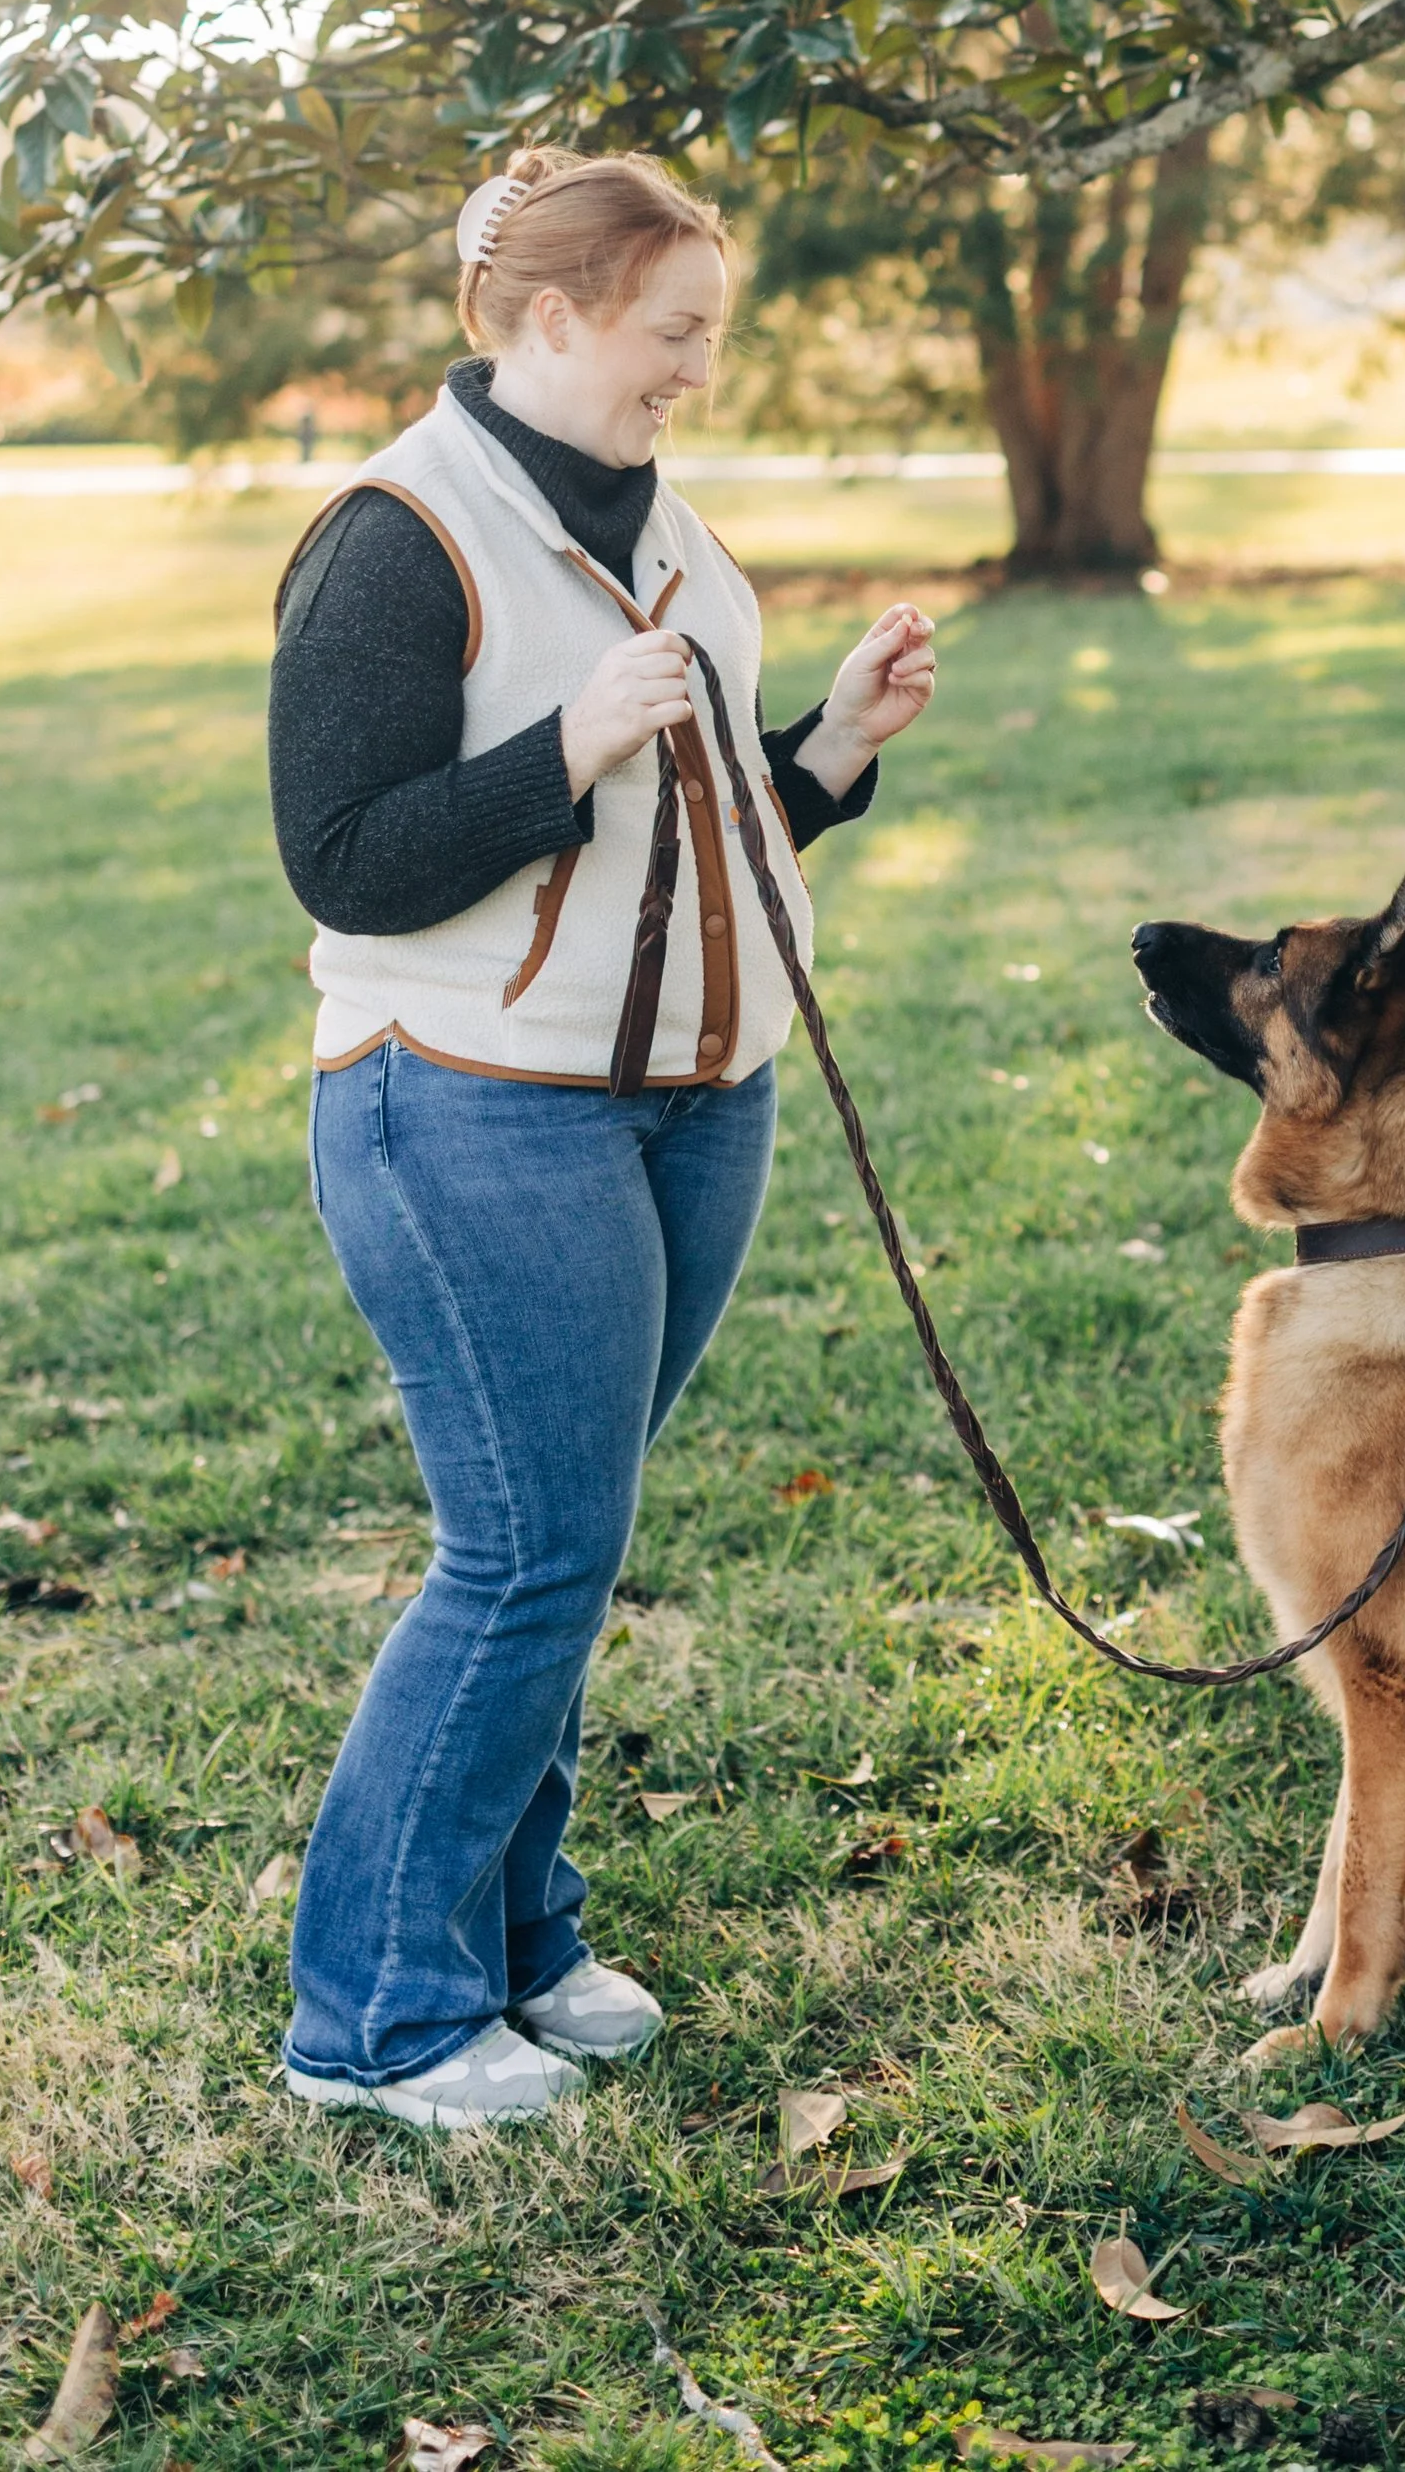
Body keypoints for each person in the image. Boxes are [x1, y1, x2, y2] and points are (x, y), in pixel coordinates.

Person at [264, 147, 936, 2128]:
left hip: (681, 1106)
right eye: (673, 333)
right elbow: (347, 858)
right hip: (468, 1109)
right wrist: (561, 751)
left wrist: (823, 749)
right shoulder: (400, 535)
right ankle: (372, 2023)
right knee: (526, 1552)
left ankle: (513, 1942)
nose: (695, 372)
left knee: (571, 1538)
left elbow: (691, 841)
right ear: (552, 318)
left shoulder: (659, 529)